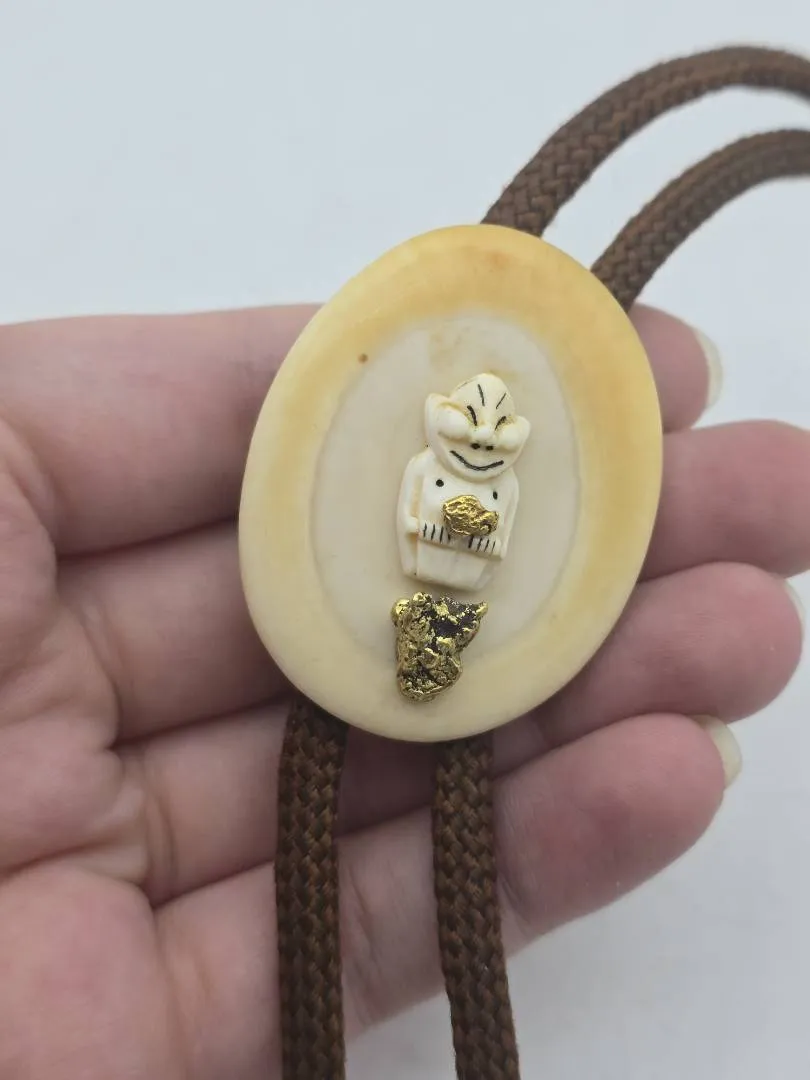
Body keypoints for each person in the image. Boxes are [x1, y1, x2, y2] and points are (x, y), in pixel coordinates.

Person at [0, 303, 804, 1078]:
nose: (481, 447)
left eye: (496, 437)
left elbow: (494, 544)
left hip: (459, 605)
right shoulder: (422, 469)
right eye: (467, 432)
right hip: (413, 593)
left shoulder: (508, 488)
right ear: (438, 424)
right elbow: (420, 524)